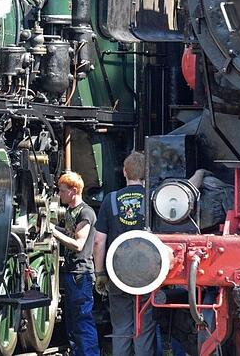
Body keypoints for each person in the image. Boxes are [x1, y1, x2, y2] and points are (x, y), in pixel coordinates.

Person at [93, 151, 157, 356]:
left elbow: (98, 240)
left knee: (121, 329)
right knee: (144, 329)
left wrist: (100, 273)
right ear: (147, 173)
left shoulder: (111, 200)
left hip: (118, 274)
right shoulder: (154, 200)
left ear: (124, 172)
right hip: (148, 276)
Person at [51, 171, 100, 356]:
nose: (60, 194)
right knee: (73, 322)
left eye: (62, 191)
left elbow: (78, 244)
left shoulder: (85, 212)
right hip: (72, 273)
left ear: (73, 190)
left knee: (82, 320)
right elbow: (71, 232)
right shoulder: (72, 211)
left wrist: (54, 233)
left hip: (81, 273)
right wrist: (55, 227)